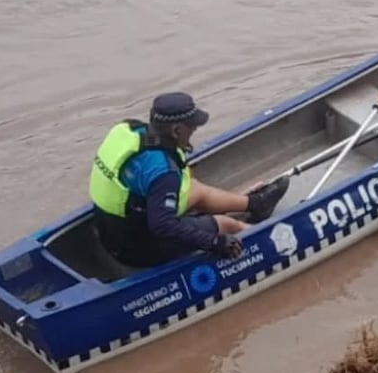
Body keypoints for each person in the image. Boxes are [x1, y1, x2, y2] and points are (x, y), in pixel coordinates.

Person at [88, 91, 290, 267]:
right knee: (227, 224)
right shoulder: (163, 172)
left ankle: (255, 204)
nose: (194, 130)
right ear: (176, 130)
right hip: (138, 247)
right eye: (191, 126)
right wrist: (215, 243)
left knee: (194, 188)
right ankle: (273, 239)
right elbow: (162, 225)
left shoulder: (127, 131)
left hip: (109, 230)